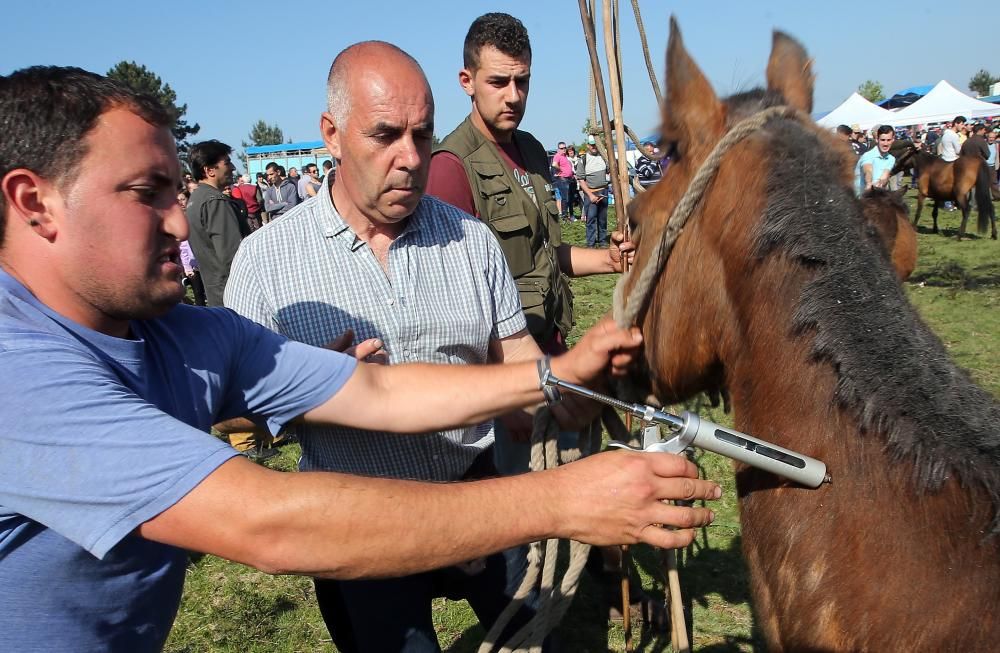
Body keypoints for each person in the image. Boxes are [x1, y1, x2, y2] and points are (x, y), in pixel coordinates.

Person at [0, 65, 719, 653]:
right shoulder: (17, 371)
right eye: (146, 193)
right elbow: (270, 521)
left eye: (177, 190)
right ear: (35, 202)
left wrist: (552, 370)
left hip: (463, 488)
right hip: (355, 522)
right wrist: (565, 499)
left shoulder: (183, 334)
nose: (182, 222)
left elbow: (378, 391)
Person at [227, 40, 589, 653]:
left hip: (478, 496)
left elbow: (516, 354)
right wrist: (304, 386)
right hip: (354, 522)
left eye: (421, 135)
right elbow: (233, 415)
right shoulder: (266, 263)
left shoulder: (470, 242)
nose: (410, 158)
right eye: (385, 135)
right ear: (332, 135)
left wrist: (569, 387)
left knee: (536, 640)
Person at [184, 139, 250, 306]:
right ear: (210, 170)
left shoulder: (196, 199)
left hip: (217, 294)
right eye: (227, 163)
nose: (233, 168)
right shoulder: (215, 202)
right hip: (235, 298)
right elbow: (233, 258)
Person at [578, 134, 610, 246]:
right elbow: (581, 180)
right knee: (591, 219)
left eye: (595, 144)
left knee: (603, 219)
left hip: (604, 192)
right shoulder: (584, 159)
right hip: (590, 193)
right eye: (591, 145)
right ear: (588, 145)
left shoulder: (604, 157)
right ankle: (590, 244)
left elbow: (610, 171)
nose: (594, 147)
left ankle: (602, 241)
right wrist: (590, 195)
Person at [854, 125, 896, 196]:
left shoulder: (891, 159)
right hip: (859, 198)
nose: (885, 144)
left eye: (888, 140)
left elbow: (885, 175)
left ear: (893, 140)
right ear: (877, 139)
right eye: (882, 140)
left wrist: (881, 183)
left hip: (876, 197)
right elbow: (868, 171)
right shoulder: (868, 155)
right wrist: (869, 183)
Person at [550, 141, 575, 219]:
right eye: (561, 148)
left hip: (569, 179)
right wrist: (560, 169)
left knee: (570, 198)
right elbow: (554, 164)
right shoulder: (558, 155)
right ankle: (564, 216)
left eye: (564, 148)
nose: (563, 149)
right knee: (565, 198)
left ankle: (569, 215)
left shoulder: (564, 156)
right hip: (562, 179)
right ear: (558, 149)